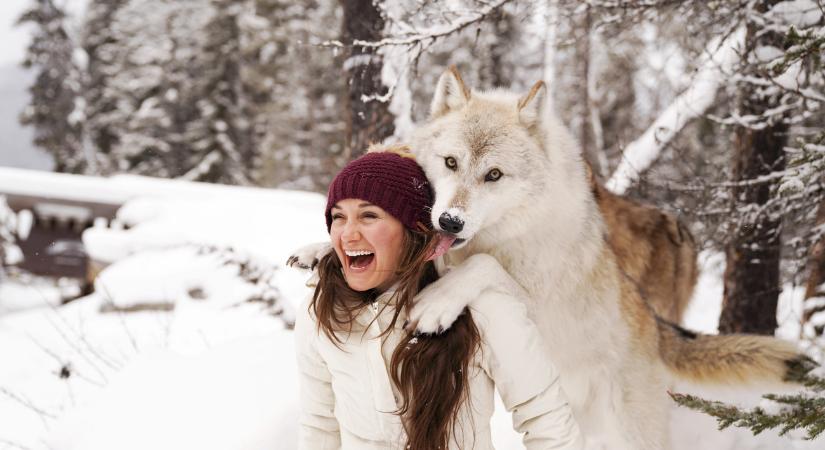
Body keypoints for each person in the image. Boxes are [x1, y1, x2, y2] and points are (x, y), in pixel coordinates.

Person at [293, 146, 583, 450]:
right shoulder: (321, 311)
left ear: (413, 231)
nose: (348, 234)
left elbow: (548, 423)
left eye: (368, 216)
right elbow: (318, 425)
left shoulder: (482, 307)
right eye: (338, 217)